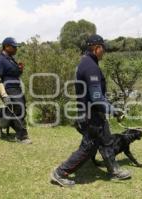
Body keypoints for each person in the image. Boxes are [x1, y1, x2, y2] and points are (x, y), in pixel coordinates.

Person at [51, 34, 131, 187]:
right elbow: (96, 98)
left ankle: (114, 170)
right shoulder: (90, 67)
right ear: (96, 48)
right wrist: (114, 110)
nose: (105, 51)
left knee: (107, 142)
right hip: (90, 115)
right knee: (88, 147)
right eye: (103, 48)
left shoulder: (88, 63)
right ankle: (60, 173)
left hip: (95, 114)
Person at [0, 37, 32, 144]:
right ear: (6, 46)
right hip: (8, 89)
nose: (16, 49)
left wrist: (20, 70)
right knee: (18, 108)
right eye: (14, 47)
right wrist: (4, 94)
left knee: (19, 110)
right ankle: (22, 136)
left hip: (16, 88)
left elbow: (14, 75)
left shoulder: (11, 59)